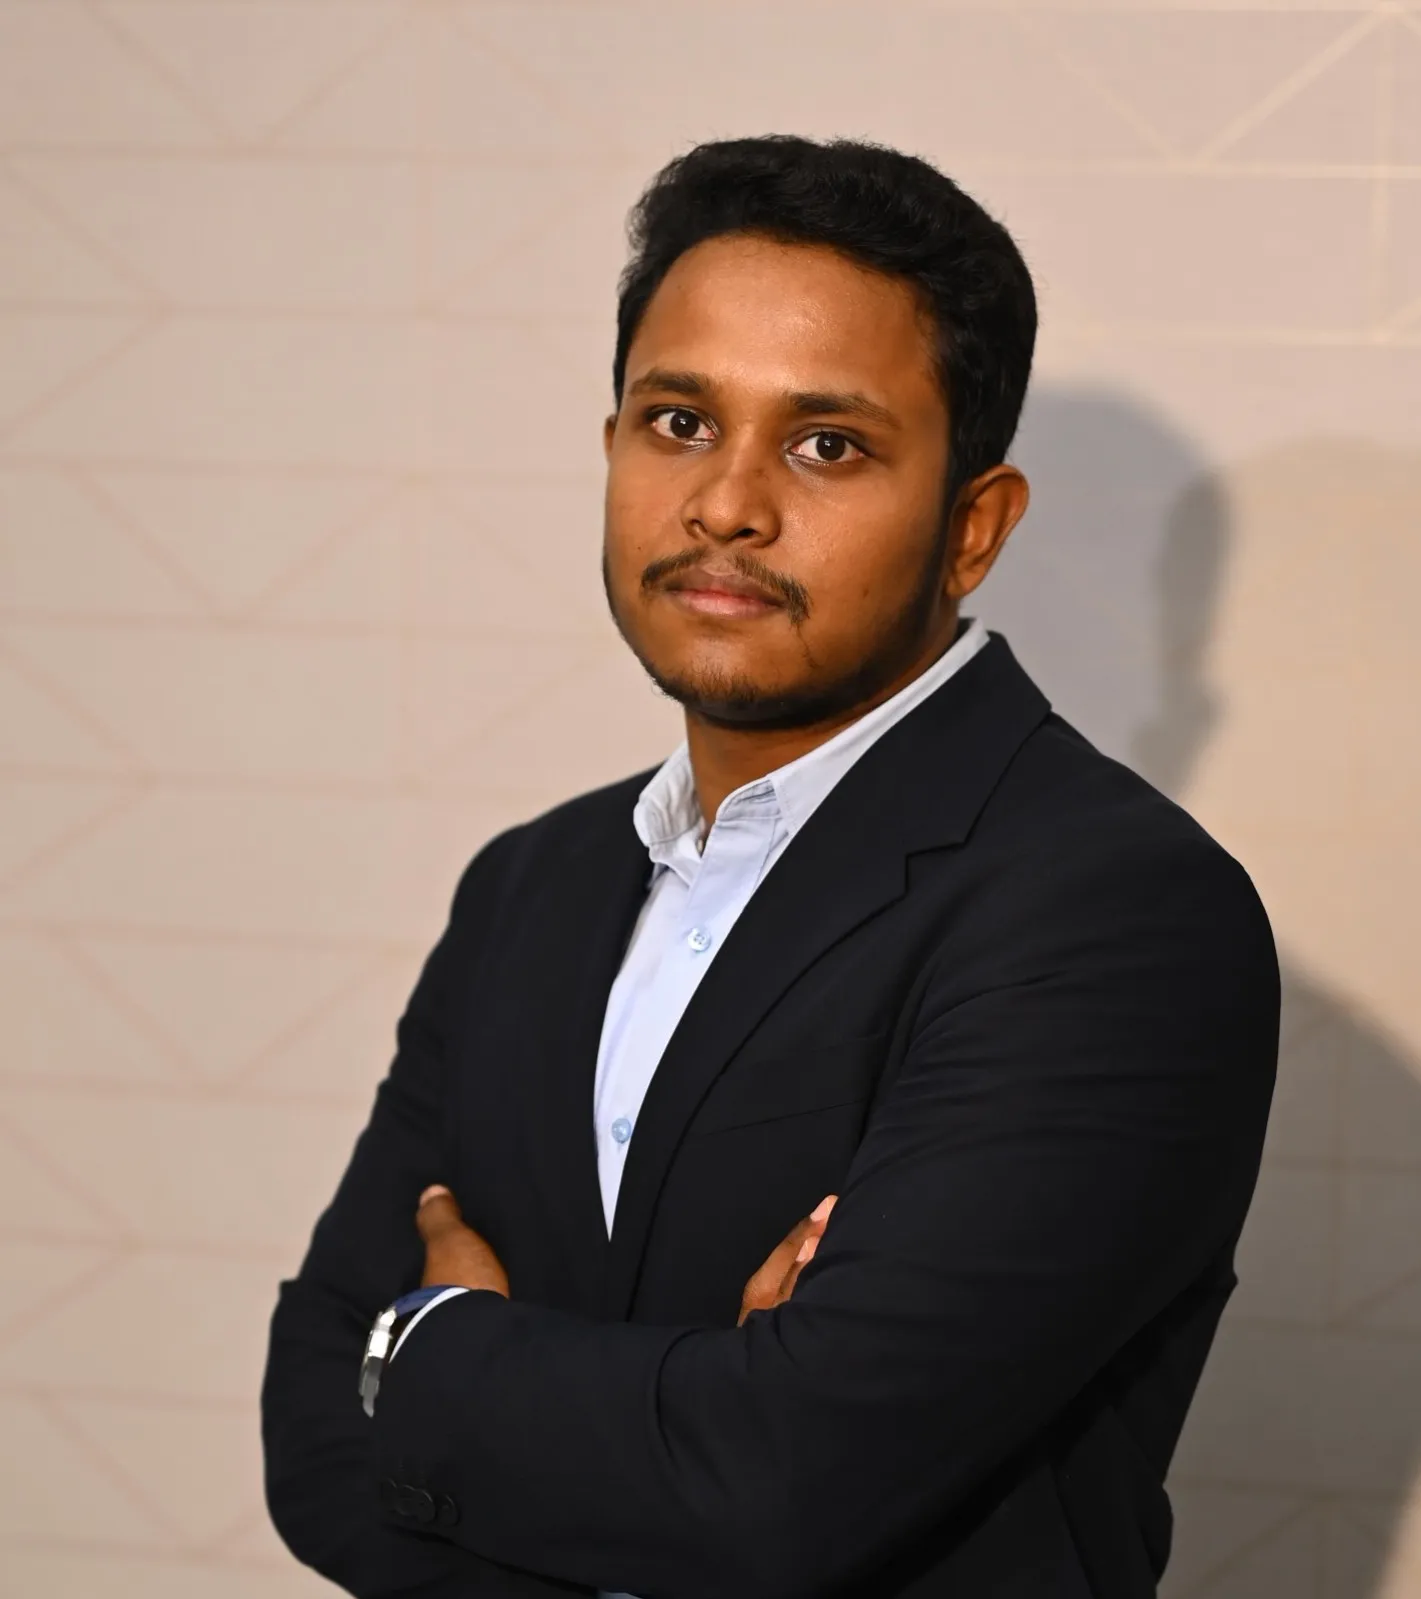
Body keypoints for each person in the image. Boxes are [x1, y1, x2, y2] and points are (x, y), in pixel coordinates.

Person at [261, 135, 1279, 1599]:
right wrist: (688, 1414)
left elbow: (782, 1480)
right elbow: (313, 1431)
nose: (727, 503)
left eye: (825, 444)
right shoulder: (529, 886)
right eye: (677, 421)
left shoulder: (1112, 912)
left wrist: (434, 1350)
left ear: (973, 526)